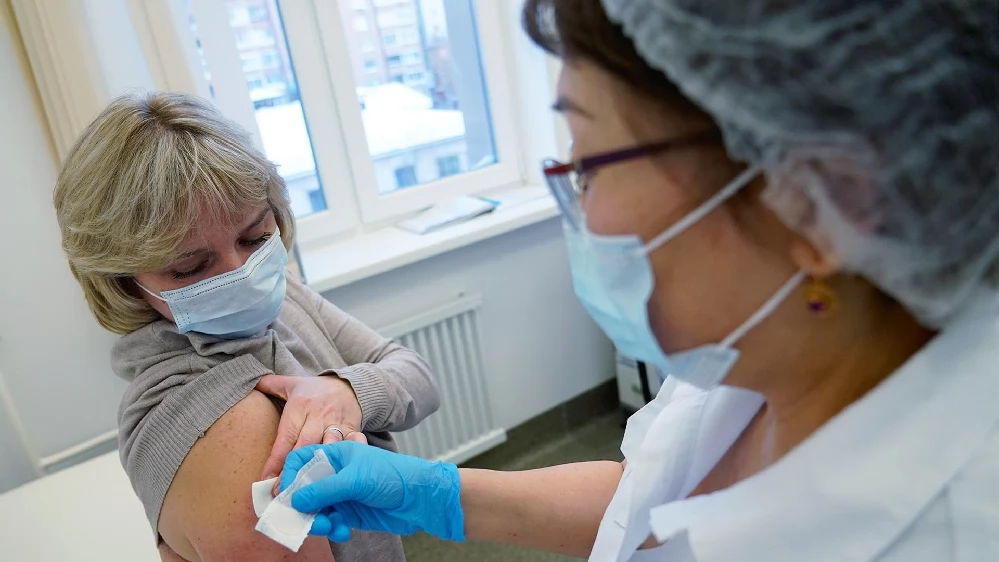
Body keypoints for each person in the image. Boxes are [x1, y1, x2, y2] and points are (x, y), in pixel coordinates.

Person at [275, 0, 999, 560]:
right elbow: (653, 508)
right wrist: (440, 495)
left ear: (822, 204)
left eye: (590, 162)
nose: (578, 202)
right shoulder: (754, 355)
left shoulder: (949, 532)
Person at [53, 92, 441, 562]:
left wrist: (349, 393)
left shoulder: (284, 296)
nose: (241, 274)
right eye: (191, 267)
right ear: (124, 283)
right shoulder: (219, 420)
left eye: (255, 237)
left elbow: (416, 374)